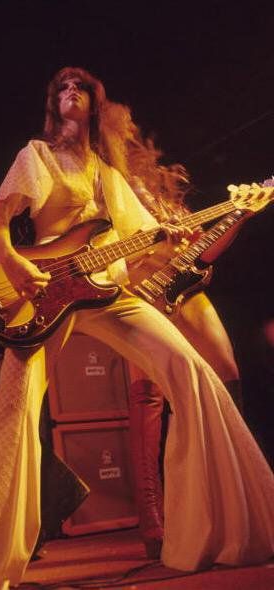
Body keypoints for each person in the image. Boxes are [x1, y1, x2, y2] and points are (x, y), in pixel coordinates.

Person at [0, 67, 274, 590]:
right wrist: (16, 265)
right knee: (12, 417)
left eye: (79, 87)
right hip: (43, 296)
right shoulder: (36, 157)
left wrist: (194, 228)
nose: (69, 93)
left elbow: (149, 244)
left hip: (108, 295)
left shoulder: (109, 175)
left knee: (192, 371)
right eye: (61, 88)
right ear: (52, 104)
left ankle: (217, 532)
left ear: (93, 103)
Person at [111, 106, 245, 558]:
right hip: (139, 299)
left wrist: (239, 216)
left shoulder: (164, 193)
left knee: (227, 375)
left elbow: (202, 256)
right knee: (148, 401)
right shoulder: (107, 193)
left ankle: (236, 492)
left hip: (185, 293)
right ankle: (154, 525)